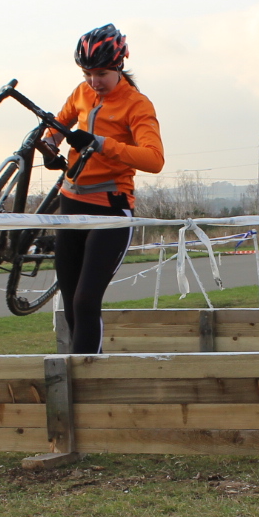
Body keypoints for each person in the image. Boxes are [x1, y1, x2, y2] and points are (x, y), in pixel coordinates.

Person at [43, 24, 165, 353]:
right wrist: (49, 144)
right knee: (70, 300)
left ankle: (89, 372)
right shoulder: (81, 93)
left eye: (101, 74)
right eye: (87, 74)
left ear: (119, 66)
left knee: (86, 300)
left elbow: (154, 160)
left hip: (110, 209)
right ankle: (76, 369)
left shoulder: (137, 104)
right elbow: (59, 125)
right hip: (71, 203)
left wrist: (101, 143)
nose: (93, 82)